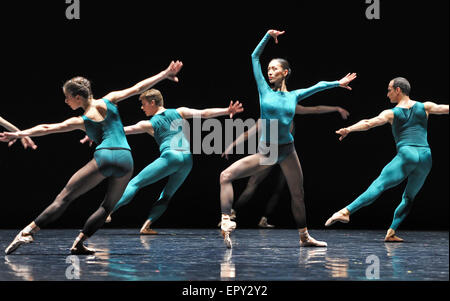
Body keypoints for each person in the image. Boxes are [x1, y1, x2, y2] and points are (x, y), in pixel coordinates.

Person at [1, 61, 183, 255]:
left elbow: (46, 128)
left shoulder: (81, 120)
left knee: (64, 198)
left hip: (105, 156)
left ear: (78, 97)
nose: (66, 101)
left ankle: (28, 231)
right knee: (107, 207)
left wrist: (17, 134)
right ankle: (79, 242)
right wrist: (164, 74)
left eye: (67, 98)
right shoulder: (110, 99)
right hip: (126, 159)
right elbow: (138, 88)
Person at [219, 29, 357, 248]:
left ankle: (304, 237)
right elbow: (254, 57)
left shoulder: (294, 96)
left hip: (287, 150)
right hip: (267, 151)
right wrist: (266, 36)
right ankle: (226, 221)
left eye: (274, 68)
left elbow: (318, 86)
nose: (270, 72)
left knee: (298, 194)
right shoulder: (264, 90)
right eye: (269, 69)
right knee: (226, 175)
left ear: (285, 72)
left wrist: (337, 83)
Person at [98, 89, 243, 234]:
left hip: (171, 157)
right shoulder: (180, 111)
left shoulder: (147, 124)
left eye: (143, 104)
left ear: (153, 102)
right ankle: (147, 226)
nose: (142, 108)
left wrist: (96, 131)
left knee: (135, 183)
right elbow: (204, 113)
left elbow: (124, 130)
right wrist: (227, 110)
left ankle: (108, 211)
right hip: (187, 161)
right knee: (167, 195)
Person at [325, 77, 449, 241]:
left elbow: (369, 123)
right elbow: (445, 108)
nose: (387, 94)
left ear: (398, 90)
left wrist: (348, 129)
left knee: (379, 184)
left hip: (407, 154)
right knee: (409, 197)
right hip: (426, 158)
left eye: (389, 89)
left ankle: (345, 211)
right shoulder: (426, 106)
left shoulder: (392, 113)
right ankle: (392, 231)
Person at [221, 105, 350, 228]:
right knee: (254, 184)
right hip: (274, 154)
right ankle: (232, 213)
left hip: (284, 155)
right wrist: (232, 145)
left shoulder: (289, 106)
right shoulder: (270, 114)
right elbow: (248, 133)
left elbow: (315, 109)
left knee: (278, 188)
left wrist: (336, 108)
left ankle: (262, 218)